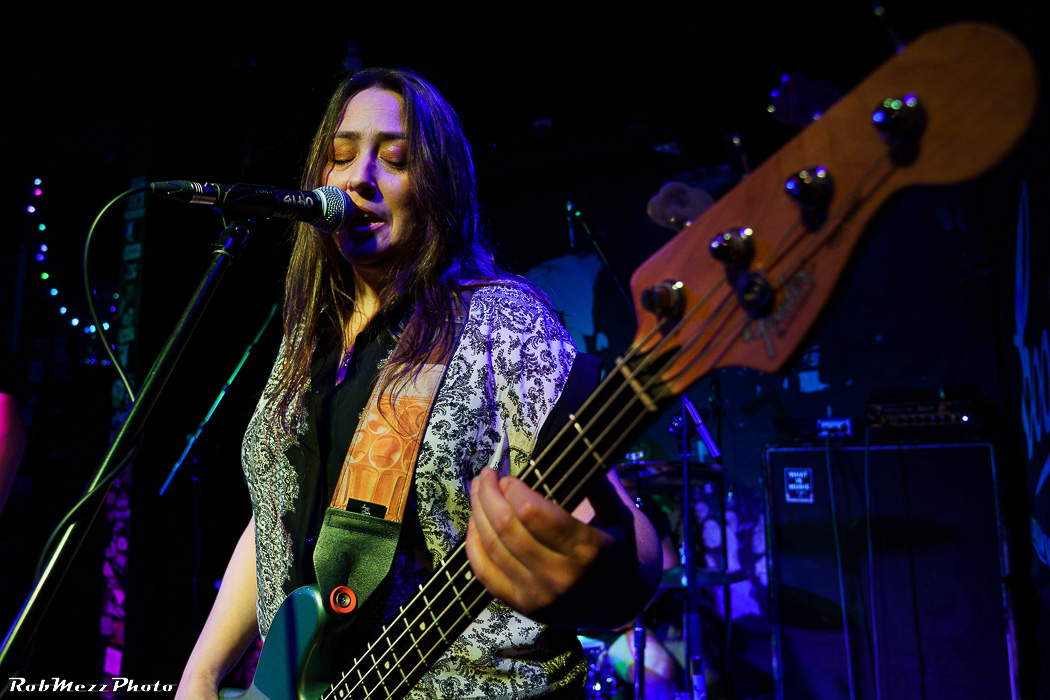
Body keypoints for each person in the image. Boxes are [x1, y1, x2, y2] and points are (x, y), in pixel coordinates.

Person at [176, 68, 661, 700]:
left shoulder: (502, 322)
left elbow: (621, 536)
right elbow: (275, 517)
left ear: (438, 185)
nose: (359, 177)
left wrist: (607, 566)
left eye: (395, 159)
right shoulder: (308, 339)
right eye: (340, 156)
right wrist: (202, 673)